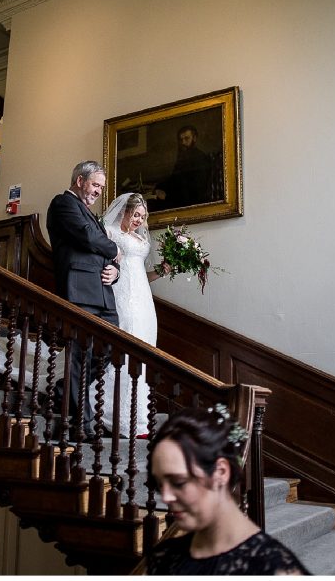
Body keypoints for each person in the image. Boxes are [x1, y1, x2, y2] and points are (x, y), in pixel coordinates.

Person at [145, 405, 308, 574]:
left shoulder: (276, 569)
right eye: (160, 484)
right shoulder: (164, 556)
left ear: (220, 472)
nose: (165, 497)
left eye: (178, 482)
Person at [46, 161, 122, 437]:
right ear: (80, 180)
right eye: (96, 185)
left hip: (103, 294)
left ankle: (61, 390)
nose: (99, 191)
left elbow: (102, 253)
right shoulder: (63, 204)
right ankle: (82, 423)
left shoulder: (91, 213)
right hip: (79, 290)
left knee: (110, 351)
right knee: (80, 356)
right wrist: (114, 248)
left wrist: (116, 271)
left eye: (101, 187)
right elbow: (88, 238)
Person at [100, 192, 171, 437]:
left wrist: (162, 271)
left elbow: (141, 274)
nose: (139, 220)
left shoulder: (139, 239)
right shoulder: (109, 232)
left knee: (144, 353)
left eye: (143, 216)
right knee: (126, 350)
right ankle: (112, 412)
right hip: (122, 298)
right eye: (136, 214)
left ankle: (139, 417)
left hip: (144, 302)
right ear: (124, 211)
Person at [154, 125, 214, 210]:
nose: (183, 143)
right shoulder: (183, 158)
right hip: (180, 199)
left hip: (193, 204)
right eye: (181, 140)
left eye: (186, 139)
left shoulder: (200, 158)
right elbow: (174, 179)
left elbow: (196, 190)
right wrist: (158, 186)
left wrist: (167, 197)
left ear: (194, 138)